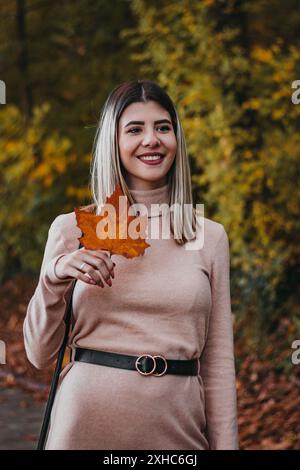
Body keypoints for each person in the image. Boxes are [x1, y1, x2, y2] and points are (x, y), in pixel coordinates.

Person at [23, 79, 239, 450]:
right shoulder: (73, 228)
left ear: (176, 139)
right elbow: (39, 354)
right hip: (83, 426)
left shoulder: (207, 235)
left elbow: (218, 363)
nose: (151, 139)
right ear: (114, 141)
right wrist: (54, 276)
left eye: (163, 127)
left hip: (177, 430)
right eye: (135, 129)